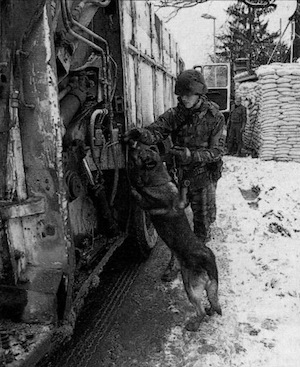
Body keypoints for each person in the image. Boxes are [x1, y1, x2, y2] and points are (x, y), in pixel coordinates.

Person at [125, 69, 225, 245]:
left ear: (199, 94)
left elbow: (217, 152)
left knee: (202, 226)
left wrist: (191, 155)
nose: (183, 98)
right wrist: (140, 134)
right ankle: (178, 259)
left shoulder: (215, 117)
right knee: (174, 221)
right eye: (181, 95)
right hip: (180, 176)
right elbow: (157, 131)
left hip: (203, 178)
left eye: (188, 95)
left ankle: (198, 263)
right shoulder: (175, 114)